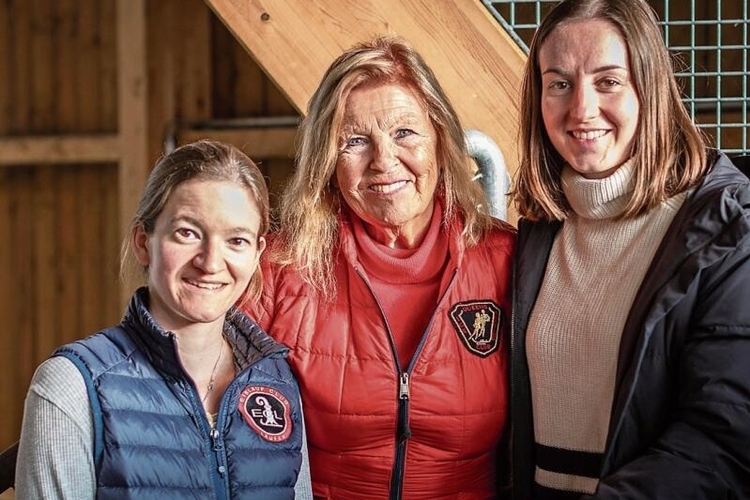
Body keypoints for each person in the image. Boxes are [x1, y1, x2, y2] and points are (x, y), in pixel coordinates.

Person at [242, 36, 515, 499]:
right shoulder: (279, 268)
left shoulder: (507, 259)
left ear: (439, 139)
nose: (384, 162)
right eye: (355, 141)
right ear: (327, 160)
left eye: (404, 133)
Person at [510, 0, 750, 498]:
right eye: (559, 83)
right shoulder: (541, 228)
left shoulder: (727, 229)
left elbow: (722, 439)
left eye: (608, 81)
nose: (581, 109)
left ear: (651, 89)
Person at [15, 140, 313, 499]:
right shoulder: (72, 385)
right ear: (143, 242)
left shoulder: (277, 383)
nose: (211, 262)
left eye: (236, 240)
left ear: (256, 254)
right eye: (187, 233)